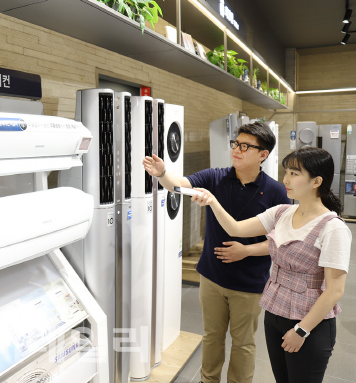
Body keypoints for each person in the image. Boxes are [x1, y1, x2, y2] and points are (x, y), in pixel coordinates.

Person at [143, 122, 289, 383]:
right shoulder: (215, 177)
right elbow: (179, 185)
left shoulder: (276, 191)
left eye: (245, 146)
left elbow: (282, 241)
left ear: (263, 154)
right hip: (212, 277)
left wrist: (246, 251)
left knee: (243, 342)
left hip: (249, 283)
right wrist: (163, 173)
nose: (237, 149)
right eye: (236, 143)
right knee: (212, 336)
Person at [190, 147, 351, 383]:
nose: (286, 179)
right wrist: (212, 202)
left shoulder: (333, 227)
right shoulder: (282, 213)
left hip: (309, 324)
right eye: (286, 172)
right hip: (275, 315)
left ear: (317, 181)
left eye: (294, 174)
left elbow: (335, 290)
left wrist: (301, 330)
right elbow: (235, 228)